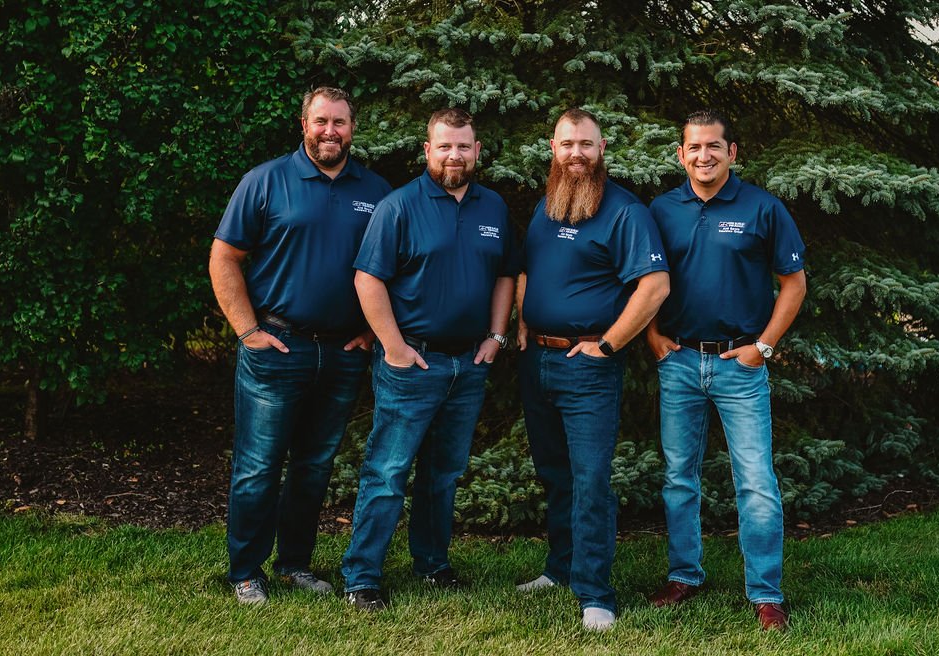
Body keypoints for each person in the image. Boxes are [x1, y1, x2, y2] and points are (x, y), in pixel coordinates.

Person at [209, 86, 391, 605]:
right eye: (321, 121)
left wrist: (370, 331)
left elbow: (393, 267)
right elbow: (224, 258)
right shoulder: (265, 181)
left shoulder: (376, 190)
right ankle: (246, 570)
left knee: (314, 467)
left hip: (342, 354)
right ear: (303, 125)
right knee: (258, 466)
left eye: (340, 122)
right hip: (276, 348)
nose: (330, 131)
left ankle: (294, 564)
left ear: (352, 128)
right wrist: (248, 332)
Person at [341, 108, 517, 611]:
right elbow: (367, 278)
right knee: (388, 471)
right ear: (428, 150)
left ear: (477, 151)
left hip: (468, 366)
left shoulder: (493, 208)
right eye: (444, 146)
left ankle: (433, 565)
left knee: (443, 474)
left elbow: (506, 274)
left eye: (463, 147)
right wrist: (393, 346)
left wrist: (497, 336)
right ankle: (362, 576)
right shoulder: (399, 207)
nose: (454, 156)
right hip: (412, 364)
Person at [646, 109, 807, 631]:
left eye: (714, 146)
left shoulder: (763, 208)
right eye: (694, 147)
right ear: (681, 154)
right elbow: (643, 280)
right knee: (678, 478)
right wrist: (652, 337)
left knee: (756, 481)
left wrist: (763, 345)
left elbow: (794, 283)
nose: (704, 155)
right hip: (679, 362)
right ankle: (684, 576)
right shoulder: (661, 210)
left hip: (740, 364)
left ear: (732, 152)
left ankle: (765, 593)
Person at [515, 108, 670, 631]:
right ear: (551, 148)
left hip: (588, 367)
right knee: (555, 474)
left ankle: (595, 595)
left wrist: (607, 345)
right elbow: (527, 270)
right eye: (566, 144)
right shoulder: (546, 206)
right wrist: (518, 321)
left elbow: (654, 286)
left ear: (602, 148)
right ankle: (560, 569)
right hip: (537, 360)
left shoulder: (625, 211)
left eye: (586, 144)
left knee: (590, 481)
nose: (576, 154)